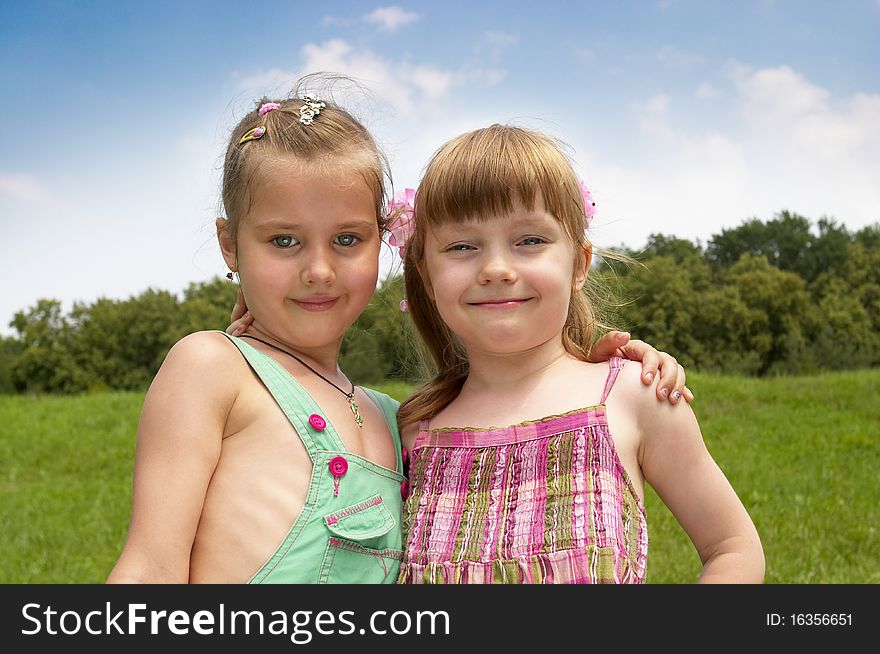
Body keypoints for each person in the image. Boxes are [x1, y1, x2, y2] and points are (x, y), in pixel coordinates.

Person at [108, 82, 688, 584]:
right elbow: (150, 570)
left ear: (385, 244)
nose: (318, 269)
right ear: (230, 244)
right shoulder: (210, 367)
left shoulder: (396, 420)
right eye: (283, 241)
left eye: (347, 239)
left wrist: (595, 365)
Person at [395, 124, 764, 584]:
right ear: (427, 277)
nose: (495, 269)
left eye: (529, 240)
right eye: (462, 246)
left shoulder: (633, 396)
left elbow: (732, 547)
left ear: (580, 263)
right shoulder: (411, 433)